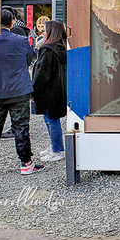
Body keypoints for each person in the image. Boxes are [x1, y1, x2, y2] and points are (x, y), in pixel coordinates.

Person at [0, 9, 42, 176]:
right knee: (21, 127)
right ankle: (26, 163)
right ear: (12, 22)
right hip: (18, 89)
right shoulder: (21, 41)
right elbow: (29, 59)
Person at [32, 19, 67, 162]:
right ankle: (55, 146)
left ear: (52, 32)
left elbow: (42, 74)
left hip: (48, 91)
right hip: (58, 90)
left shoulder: (48, 50)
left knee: (51, 121)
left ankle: (58, 149)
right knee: (51, 120)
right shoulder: (61, 47)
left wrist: (33, 91)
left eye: (45, 31)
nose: (42, 33)